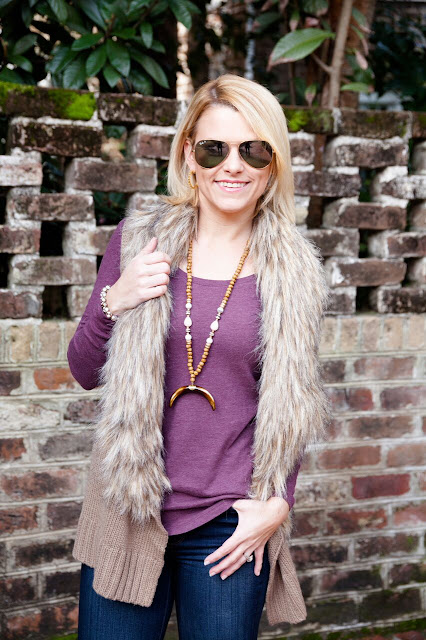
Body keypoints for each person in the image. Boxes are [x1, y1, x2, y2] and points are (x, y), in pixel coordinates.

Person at [68, 73, 332, 640]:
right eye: (215, 149)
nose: (232, 166)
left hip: (229, 523)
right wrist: (116, 299)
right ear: (189, 155)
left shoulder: (295, 272)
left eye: (253, 150)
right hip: (129, 505)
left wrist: (277, 504)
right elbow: (84, 370)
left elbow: (293, 403)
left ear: (273, 165)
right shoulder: (139, 241)